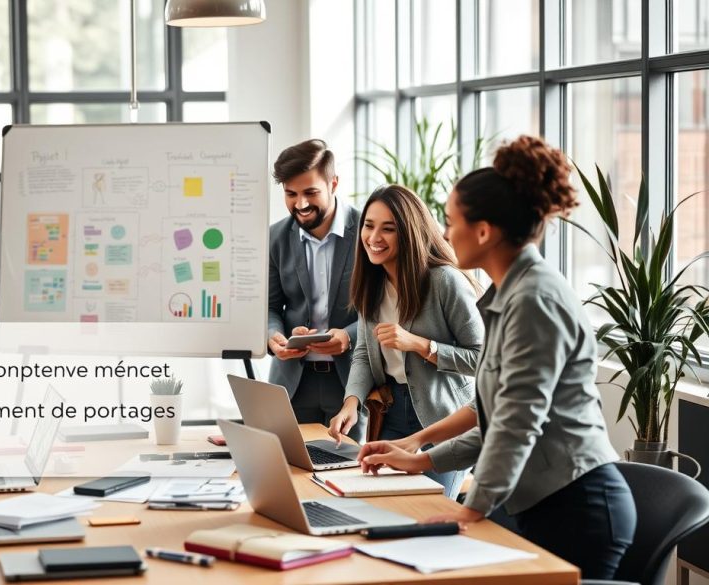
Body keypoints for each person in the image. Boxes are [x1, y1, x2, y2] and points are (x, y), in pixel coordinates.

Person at [359, 135, 636, 579]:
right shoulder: (508, 296)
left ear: (484, 231)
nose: (445, 234)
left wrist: (472, 509)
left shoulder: (533, 299)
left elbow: (516, 423)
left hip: (577, 507)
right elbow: (493, 416)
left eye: (451, 222)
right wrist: (420, 455)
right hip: (543, 501)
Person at [326, 184, 483, 499]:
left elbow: (483, 359)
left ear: (409, 232)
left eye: (388, 229)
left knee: (428, 512)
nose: (374, 237)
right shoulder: (372, 284)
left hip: (444, 419)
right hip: (390, 416)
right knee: (388, 509)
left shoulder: (444, 281)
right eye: (369, 226)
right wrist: (351, 403)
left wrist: (421, 345)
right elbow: (362, 353)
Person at [267, 139, 362, 440]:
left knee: (346, 474)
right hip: (292, 383)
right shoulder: (276, 237)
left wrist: (349, 336)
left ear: (333, 183)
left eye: (311, 192)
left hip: (351, 382)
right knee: (289, 471)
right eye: (290, 194)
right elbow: (269, 307)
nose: (301, 204)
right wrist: (273, 337)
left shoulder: (367, 233)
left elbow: (388, 310)